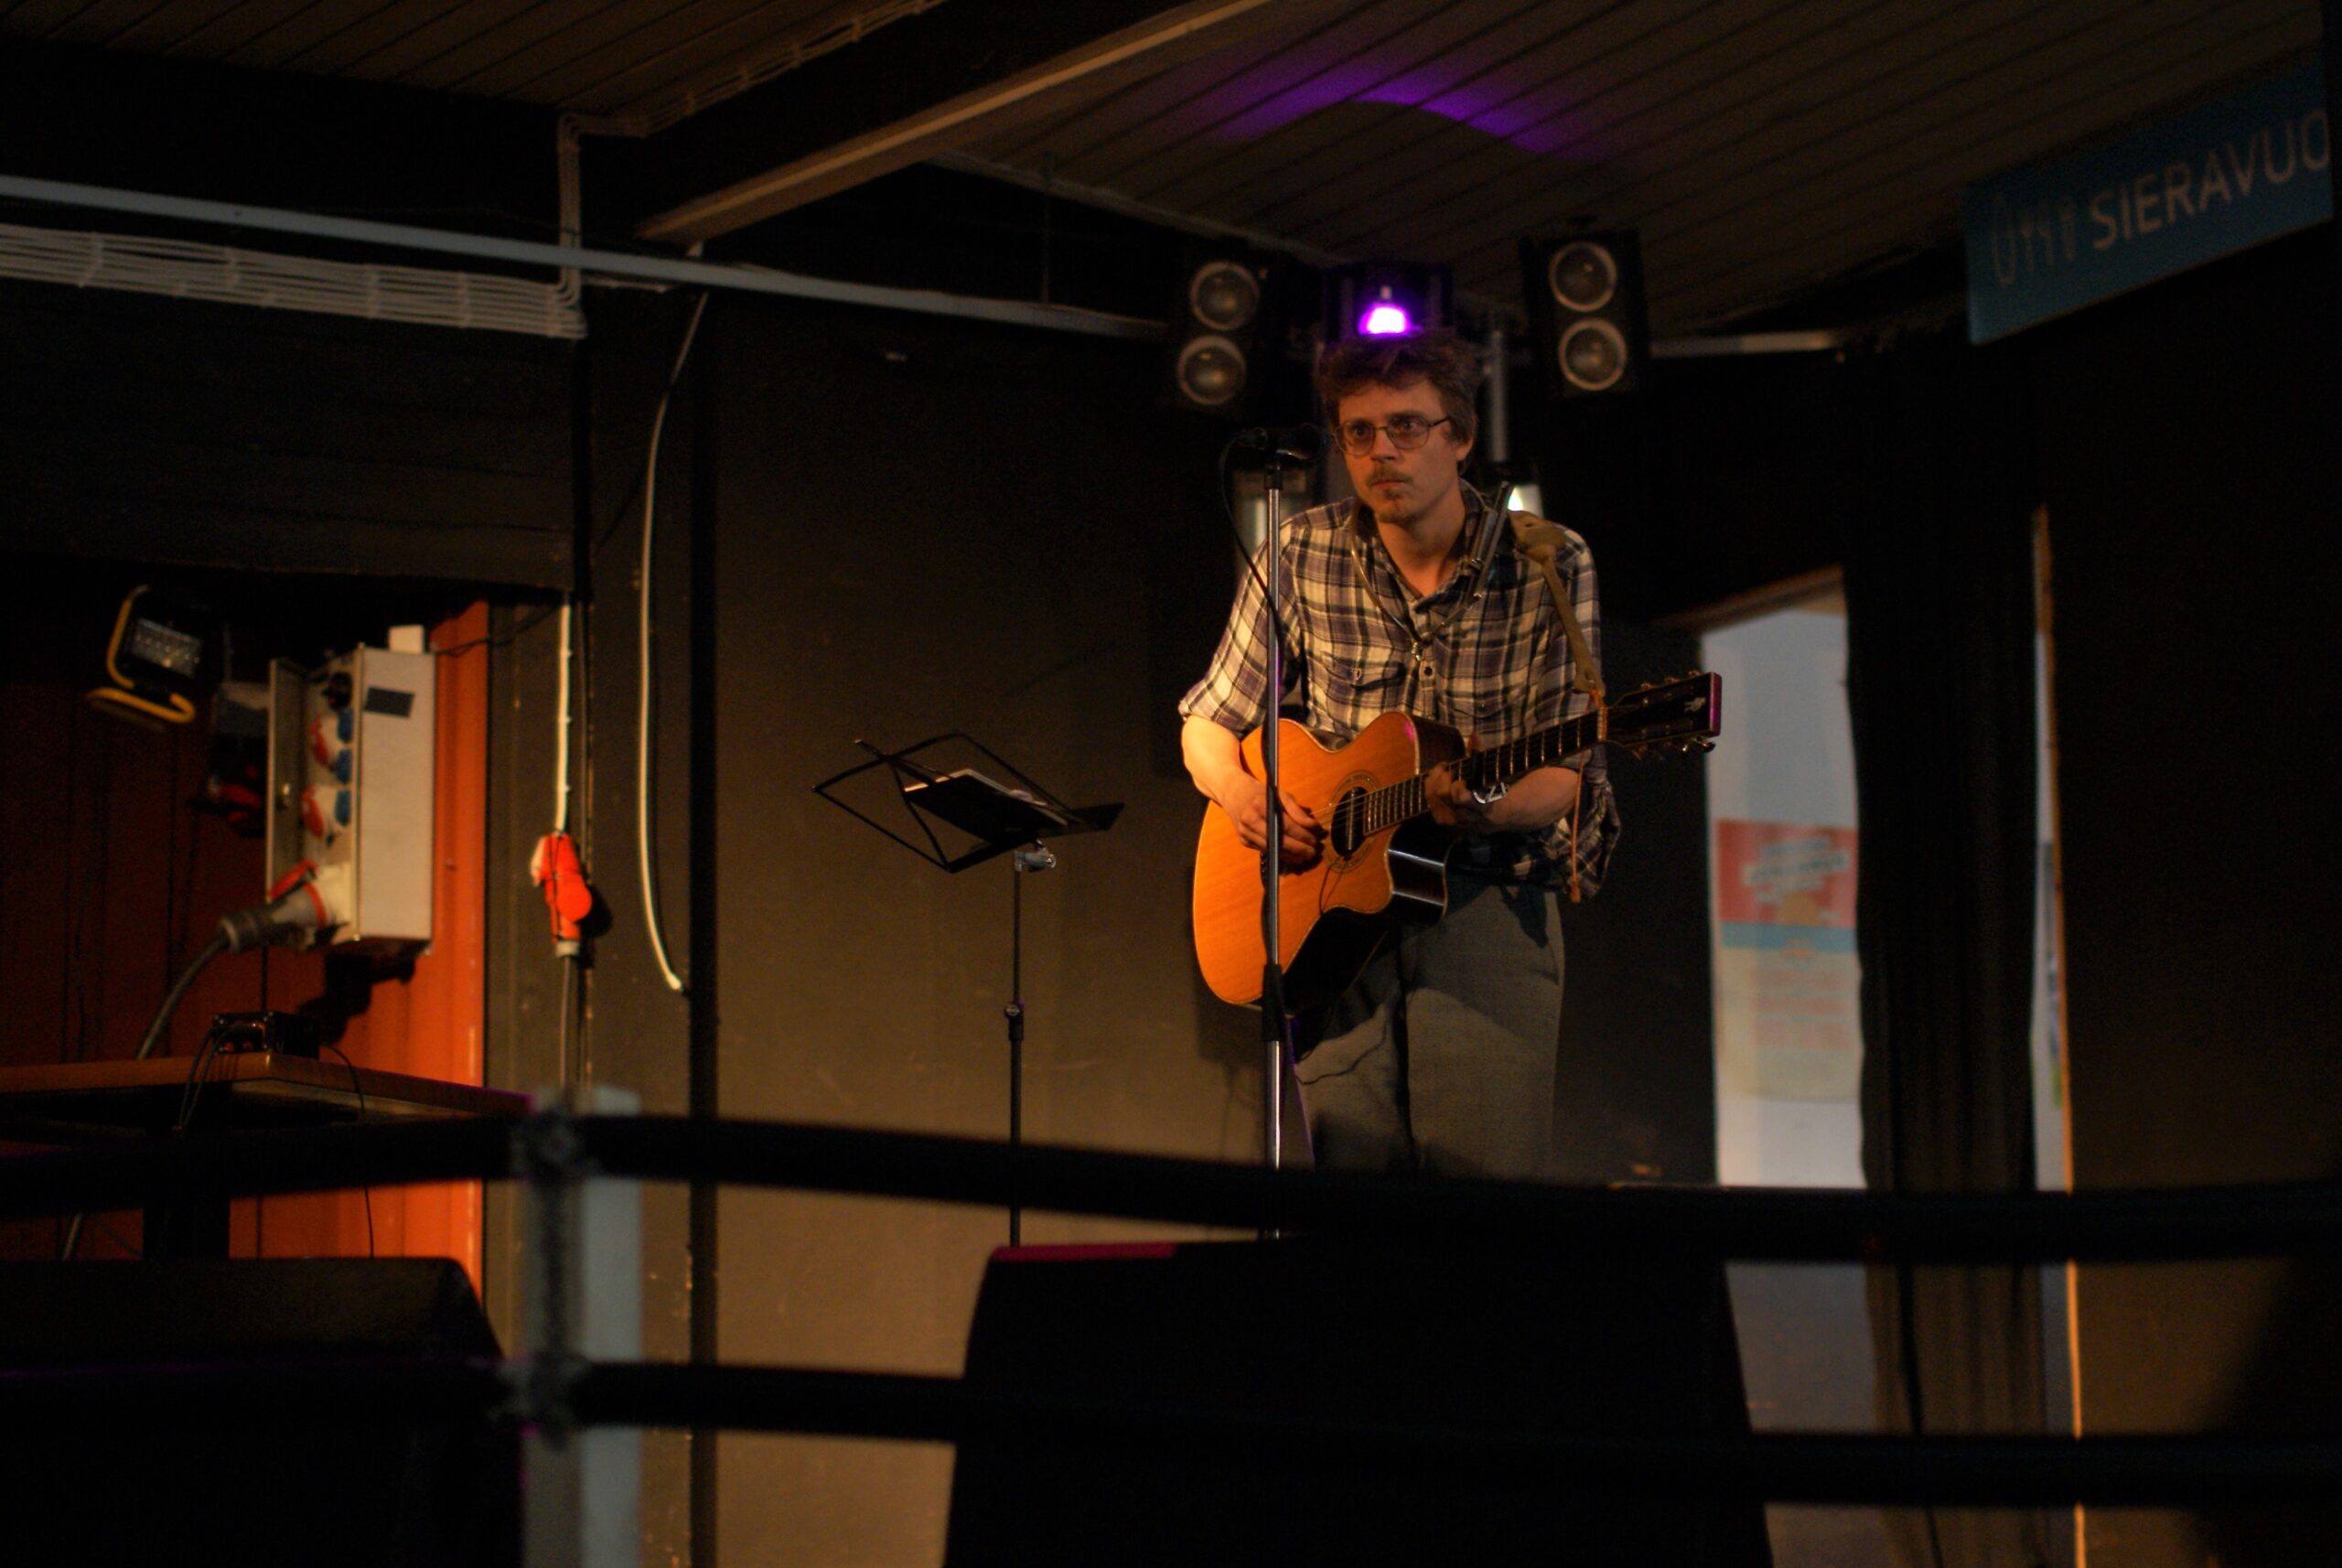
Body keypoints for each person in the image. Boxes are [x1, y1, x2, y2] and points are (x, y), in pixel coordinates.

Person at [1177, 328, 1617, 1181]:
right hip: (1332, 920)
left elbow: (1565, 774)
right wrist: (1241, 796)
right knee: (1354, 1208)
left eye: (1408, 427)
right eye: (1360, 432)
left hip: (1488, 903)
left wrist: (1484, 806)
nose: (1382, 451)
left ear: (1461, 436)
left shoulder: (1548, 563)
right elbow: (1206, 722)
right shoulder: (1299, 553)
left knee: (1481, 1200)